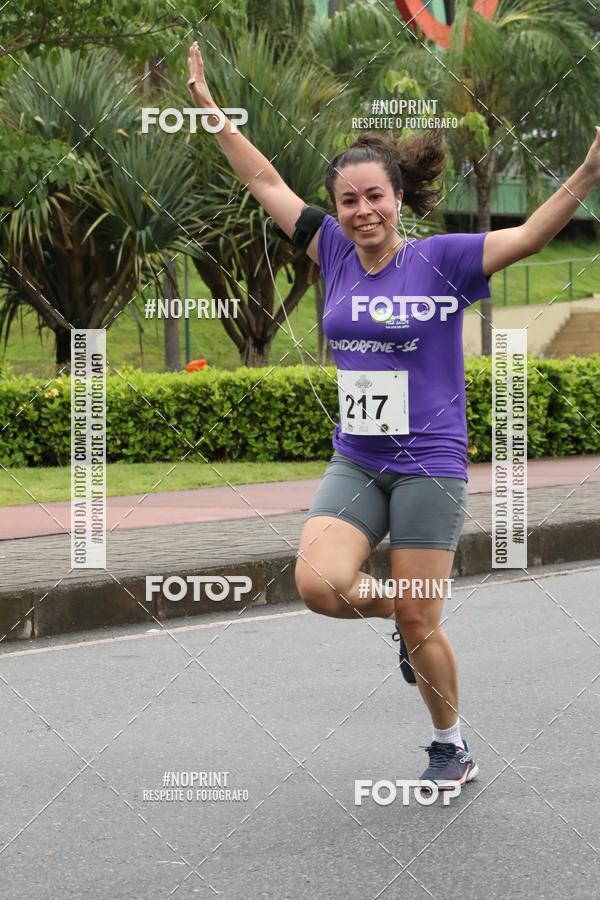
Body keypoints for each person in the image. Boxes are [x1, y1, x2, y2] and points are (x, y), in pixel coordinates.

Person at [187, 40, 600, 788]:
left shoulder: (443, 261)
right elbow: (262, 178)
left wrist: (590, 172)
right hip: (358, 458)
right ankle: (398, 623)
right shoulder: (331, 250)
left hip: (429, 466)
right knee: (320, 585)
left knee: (422, 618)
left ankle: (451, 745)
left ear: (398, 197)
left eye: (374, 196)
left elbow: (531, 235)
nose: (362, 211)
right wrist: (215, 115)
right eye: (348, 201)